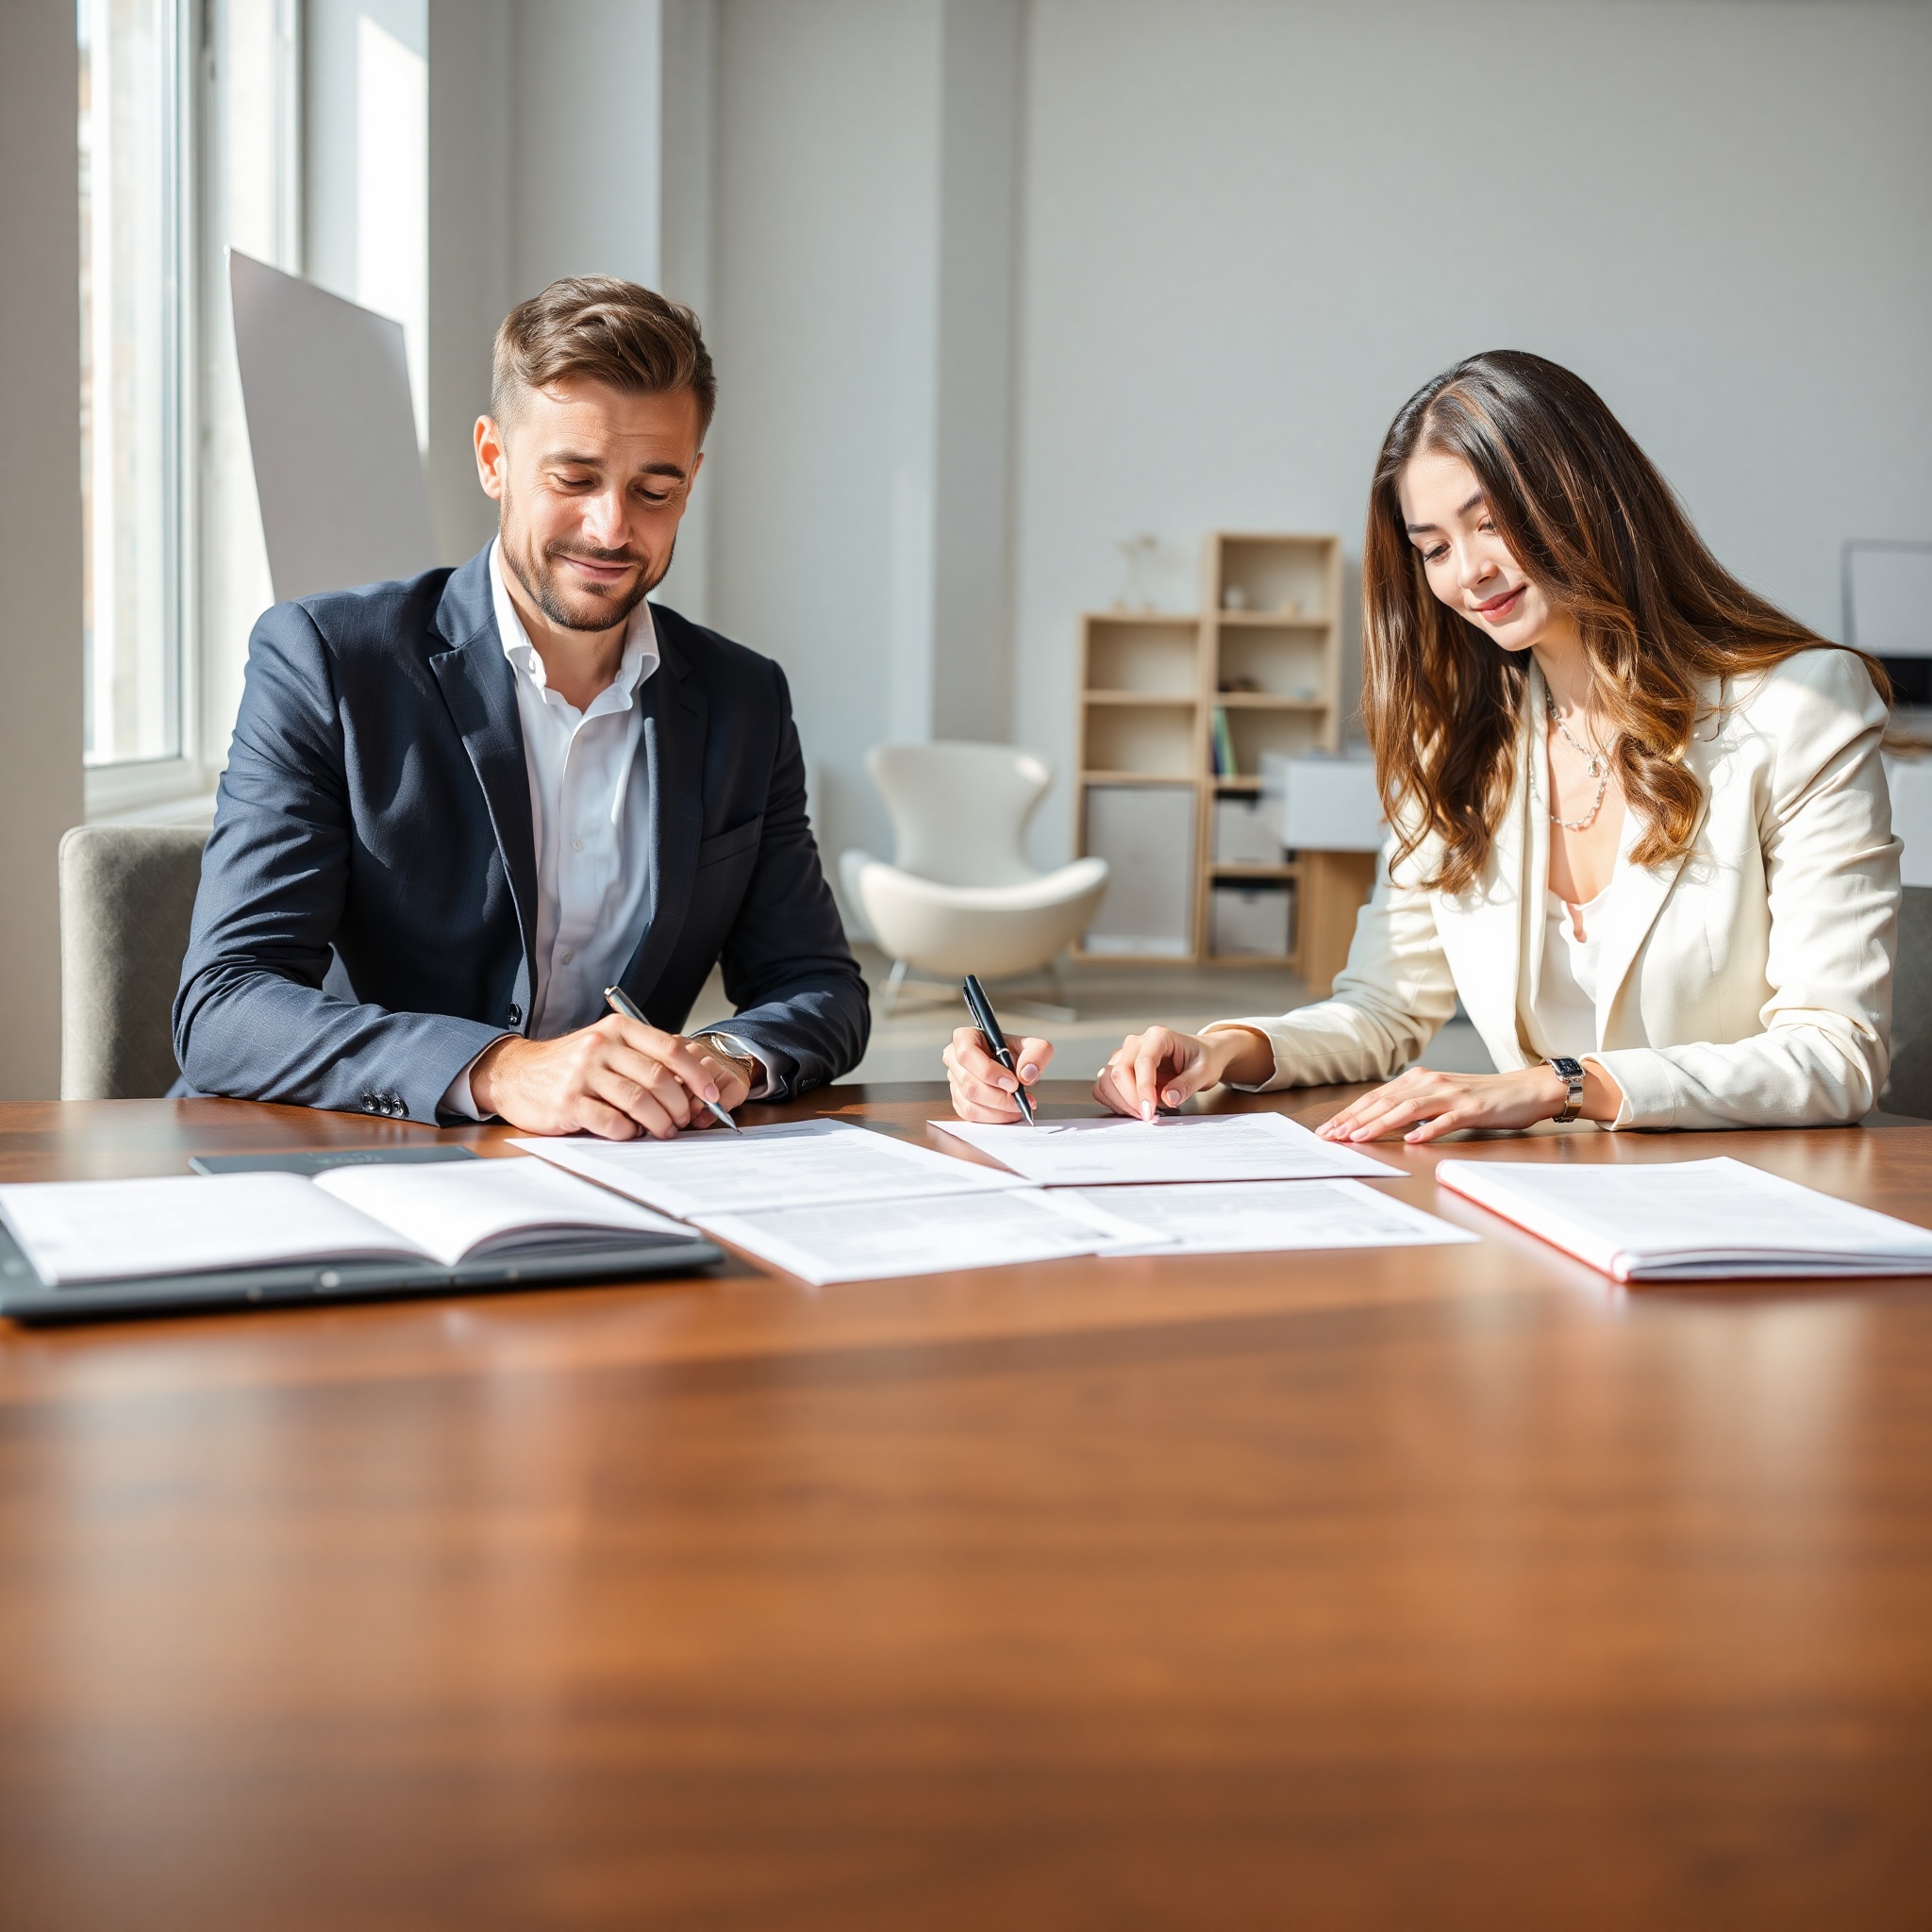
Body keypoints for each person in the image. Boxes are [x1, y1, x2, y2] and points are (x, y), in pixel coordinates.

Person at [947, 350, 1901, 1140]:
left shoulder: (1798, 706)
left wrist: (1562, 1082)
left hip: (1754, 1199)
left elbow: (1835, 1051)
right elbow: (1383, 1006)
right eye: (1433, 544)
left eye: (1492, 521)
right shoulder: (1461, 744)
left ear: (1586, 496)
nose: (1468, 570)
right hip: (1546, 1211)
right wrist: (1223, 1048)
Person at [175, 277, 868, 1138]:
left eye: (653, 490)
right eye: (574, 477)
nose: (612, 529)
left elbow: (818, 984)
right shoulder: (328, 659)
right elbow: (226, 1006)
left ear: (691, 479)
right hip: (363, 1160)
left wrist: (727, 1056)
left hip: (623, 1175)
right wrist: (499, 1072)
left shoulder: (743, 698)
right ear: (494, 459)